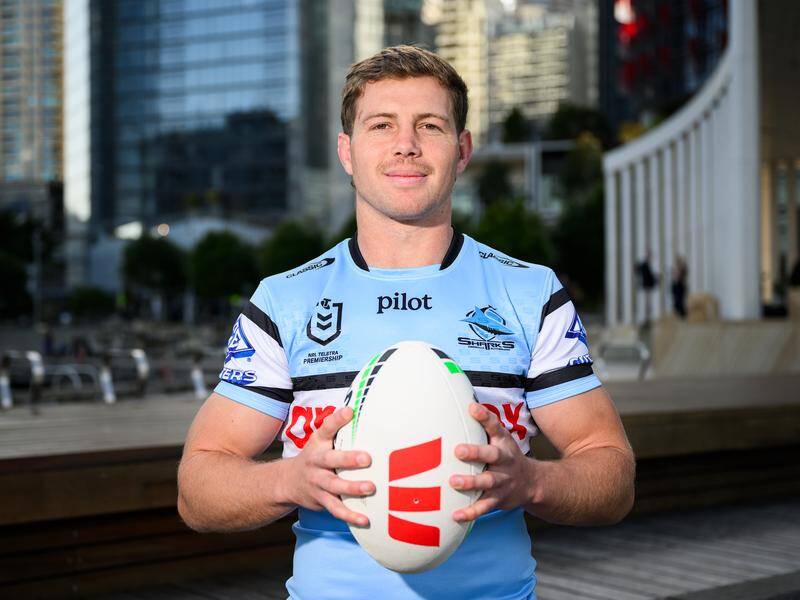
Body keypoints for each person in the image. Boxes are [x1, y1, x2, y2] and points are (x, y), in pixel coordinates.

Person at [177, 46, 635, 599]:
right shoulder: (285, 301)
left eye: (430, 125)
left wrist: (534, 481)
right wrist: (288, 479)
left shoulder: (528, 292)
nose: (406, 145)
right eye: (382, 125)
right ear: (347, 151)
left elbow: (612, 475)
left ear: (462, 150)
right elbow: (197, 489)